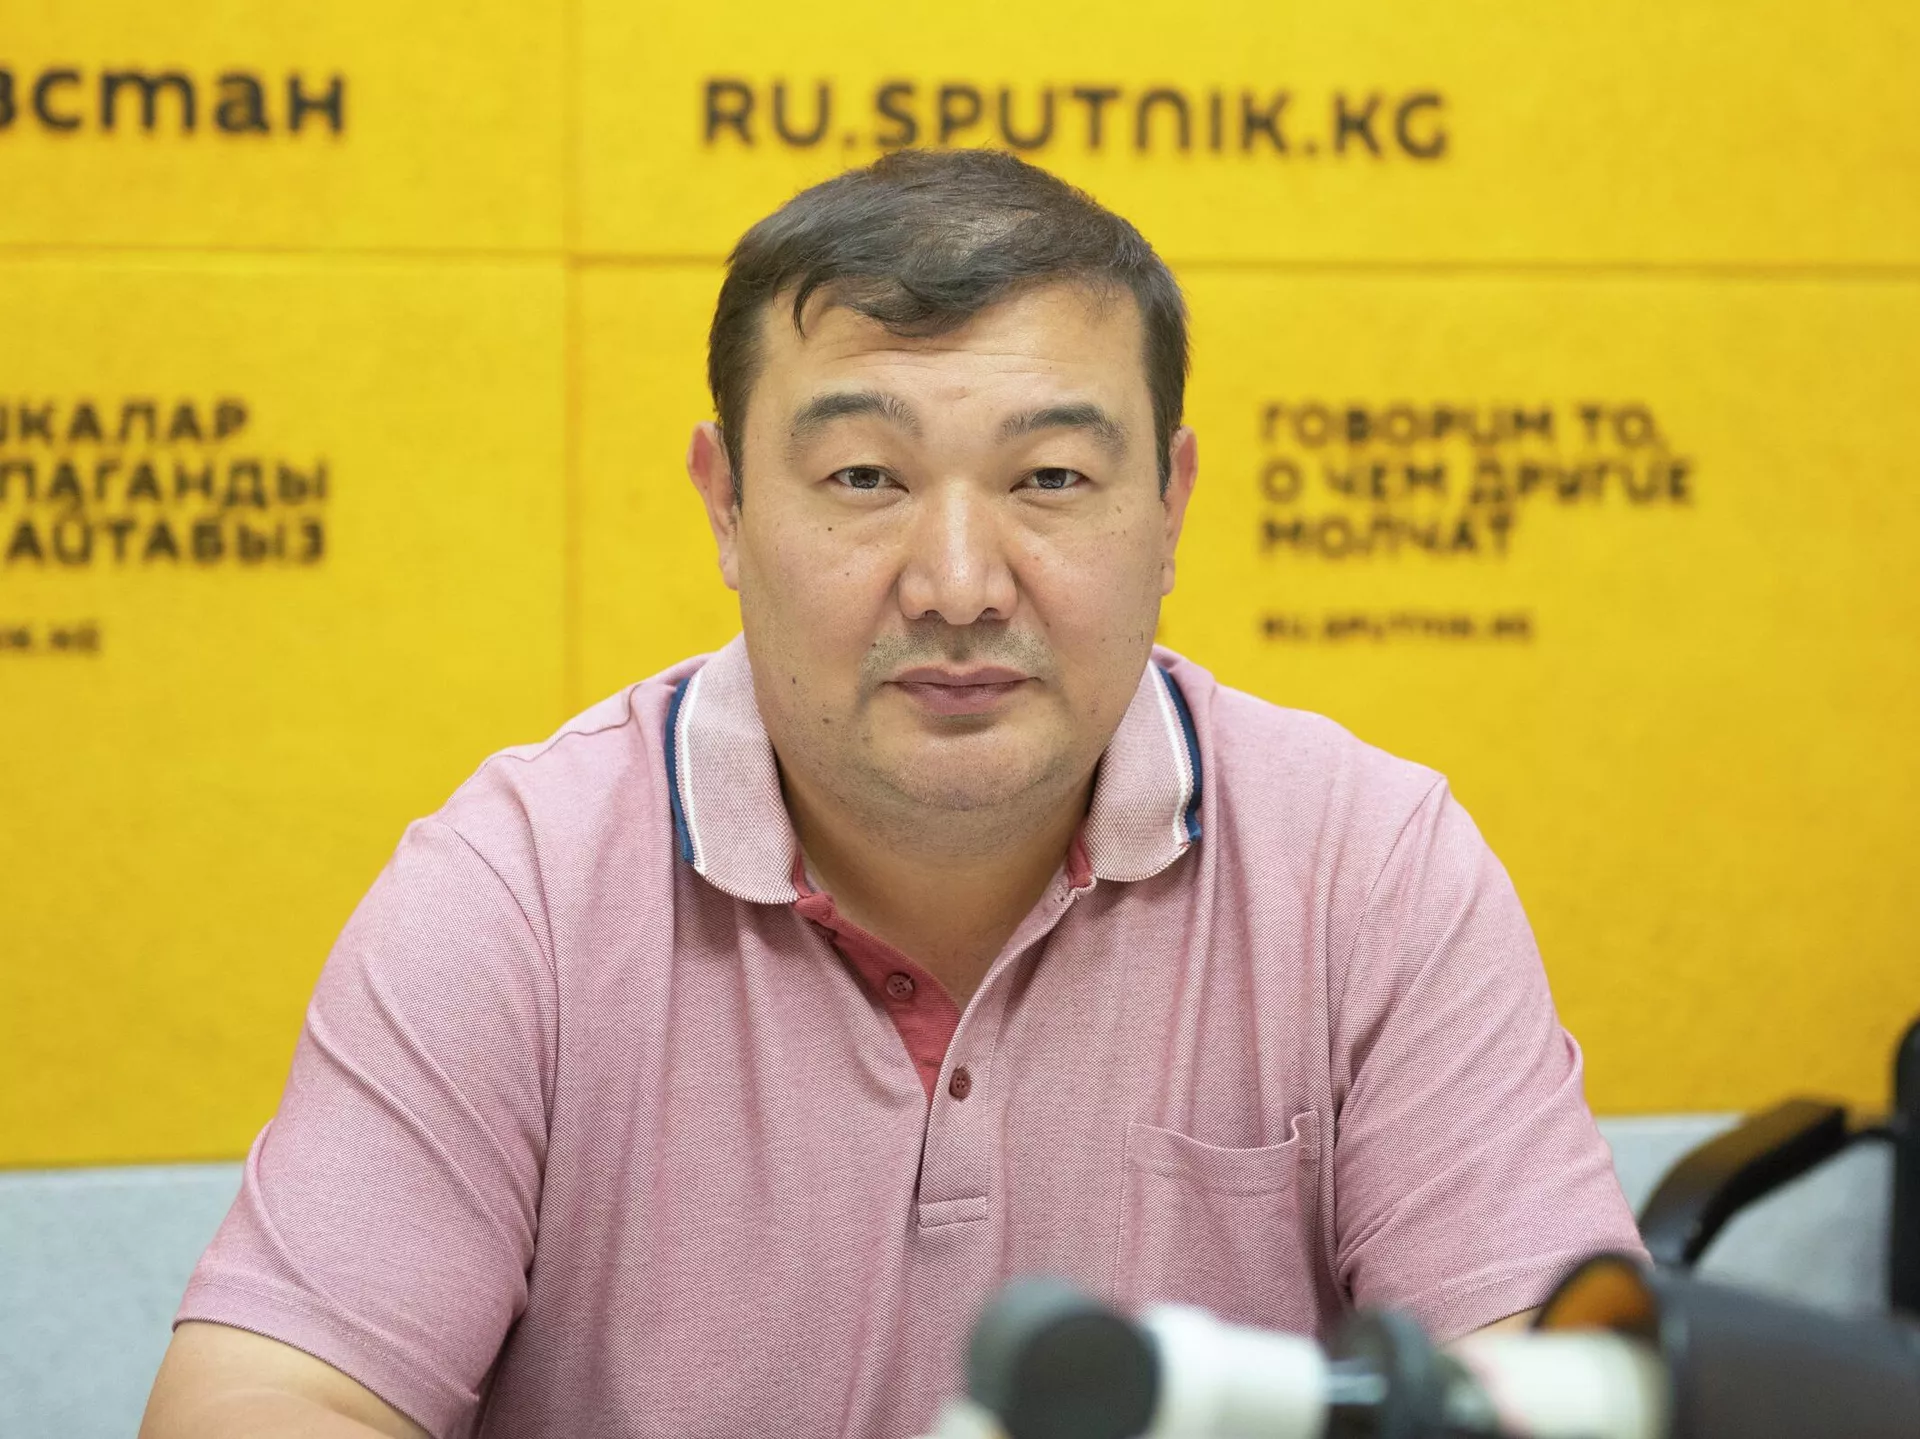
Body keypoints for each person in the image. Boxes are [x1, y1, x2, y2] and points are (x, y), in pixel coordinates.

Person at [141, 149, 1645, 1439]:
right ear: (727, 504)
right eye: (866, 478)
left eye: (1050, 480)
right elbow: (273, 1397)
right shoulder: (518, 891)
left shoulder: (1369, 871)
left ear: (1170, 506)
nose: (959, 583)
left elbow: (1566, 1396)